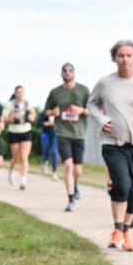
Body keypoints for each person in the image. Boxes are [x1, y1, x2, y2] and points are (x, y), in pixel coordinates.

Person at [89, 39, 133, 252]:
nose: (125, 59)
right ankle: (116, 229)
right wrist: (101, 120)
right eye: (121, 56)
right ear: (114, 58)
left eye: (129, 55)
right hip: (113, 143)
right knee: (122, 185)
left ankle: (125, 231)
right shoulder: (105, 83)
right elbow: (92, 104)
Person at [44, 63, 90, 212]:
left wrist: (81, 110)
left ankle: (75, 184)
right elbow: (46, 111)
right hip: (62, 132)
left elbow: (92, 110)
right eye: (65, 71)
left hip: (79, 133)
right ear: (61, 74)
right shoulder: (55, 92)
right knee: (68, 166)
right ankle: (70, 200)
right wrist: (53, 112)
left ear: (74, 73)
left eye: (70, 70)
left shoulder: (83, 91)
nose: (68, 73)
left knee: (78, 170)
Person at [3, 86, 36, 190]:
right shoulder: (10, 104)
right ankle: (11, 171)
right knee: (16, 157)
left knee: (24, 156)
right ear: (15, 93)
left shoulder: (28, 104)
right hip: (14, 132)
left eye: (22, 92)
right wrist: (12, 117)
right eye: (18, 92)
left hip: (26, 131)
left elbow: (33, 114)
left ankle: (23, 181)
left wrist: (31, 117)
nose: (20, 94)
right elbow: (3, 118)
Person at [36, 107, 60, 181]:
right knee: (45, 150)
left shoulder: (60, 113)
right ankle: (45, 162)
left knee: (54, 152)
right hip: (45, 134)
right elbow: (38, 123)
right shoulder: (44, 112)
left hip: (56, 135)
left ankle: (54, 173)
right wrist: (46, 123)